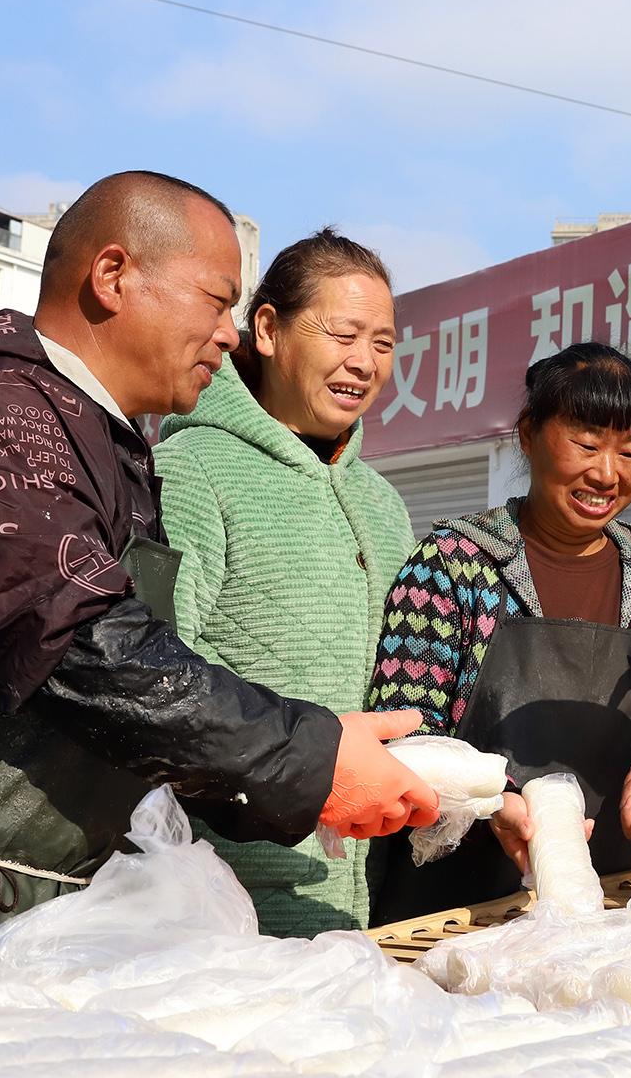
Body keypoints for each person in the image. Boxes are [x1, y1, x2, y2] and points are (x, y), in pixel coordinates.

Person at [0, 171, 437, 988]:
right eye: (215, 302)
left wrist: (316, 754)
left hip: (35, 902)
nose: (227, 334)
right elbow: (82, 643)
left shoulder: (105, 447)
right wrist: (311, 755)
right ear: (112, 276)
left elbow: (146, 705)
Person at [366, 342, 631, 920]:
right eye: (586, 444)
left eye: (630, 452)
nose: (606, 474)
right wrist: (492, 804)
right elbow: (402, 733)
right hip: (458, 913)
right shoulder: (453, 566)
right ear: (528, 435)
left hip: (621, 909)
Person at [153, 227, 417, 936]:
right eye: (344, 334)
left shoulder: (383, 503)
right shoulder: (193, 470)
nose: (364, 362)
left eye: (383, 343)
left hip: (360, 899)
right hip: (227, 901)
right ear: (267, 330)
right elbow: (155, 680)